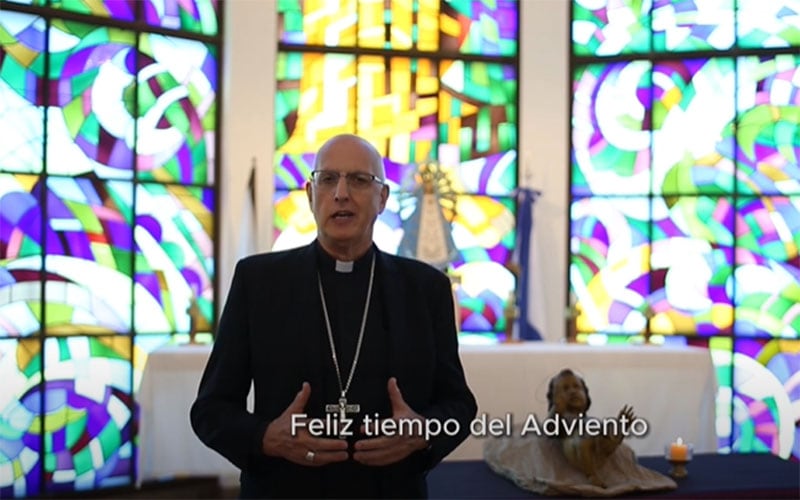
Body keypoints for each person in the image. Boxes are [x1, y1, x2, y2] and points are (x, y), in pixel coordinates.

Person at [190, 133, 477, 498]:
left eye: (359, 180)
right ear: (311, 194)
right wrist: (265, 438)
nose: (341, 193)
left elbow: (459, 406)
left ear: (383, 198)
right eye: (328, 179)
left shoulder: (426, 289)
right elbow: (210, 410)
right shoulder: (258, 281)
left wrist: (425, 432)